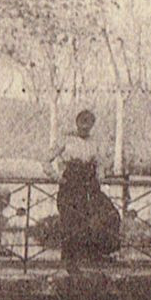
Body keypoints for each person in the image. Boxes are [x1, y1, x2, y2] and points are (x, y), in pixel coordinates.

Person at [46, 109, 119, 270]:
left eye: (89, 124)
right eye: (82, 124)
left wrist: (100, 175)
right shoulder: (66, 140)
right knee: (71, 222)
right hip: (70, 185)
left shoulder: (94, 142)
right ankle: (70, 263)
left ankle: (95, 256)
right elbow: (46, 160)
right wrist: (57, 177)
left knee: (107, 215)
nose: (85, 128)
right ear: (77, 123)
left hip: (89, 185)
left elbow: (100, 163)